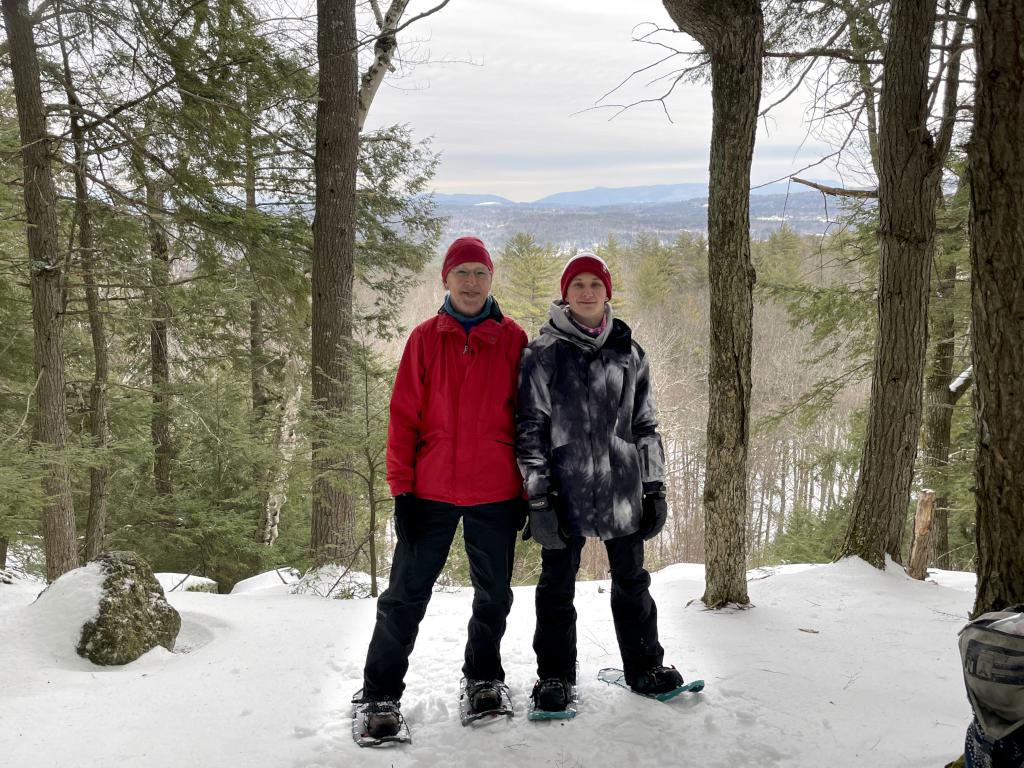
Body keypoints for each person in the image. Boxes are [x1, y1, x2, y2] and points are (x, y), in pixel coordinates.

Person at [356, 236, 529, 739]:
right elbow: (402, 418)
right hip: (428, 495)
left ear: (491, 279)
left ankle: (483, 679)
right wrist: (401, 491)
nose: (471, 283)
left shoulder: (514, 340)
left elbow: (528, 421)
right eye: (462, 273)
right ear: (445, 280)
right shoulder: (425, 339)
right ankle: (379, 695)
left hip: (495, 493)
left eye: (480, 273)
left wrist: (526, 492)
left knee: (494, 595)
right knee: (405, 595)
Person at [516, 252, 683, 712]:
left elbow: (646, 425)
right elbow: (530, 429)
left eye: (595, 284)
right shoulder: (542, 354)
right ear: (565, 294)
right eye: (578, 285)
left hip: (623, 491)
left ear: (606, 291)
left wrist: (656, 487)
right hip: (563, 493)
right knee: (556, 587)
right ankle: (553, 677)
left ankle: (645, 666)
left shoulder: (630, 353)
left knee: (632, 583)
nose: (587, 292)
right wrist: (538, 500)